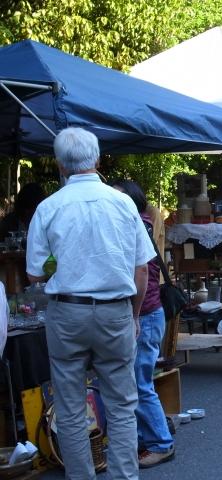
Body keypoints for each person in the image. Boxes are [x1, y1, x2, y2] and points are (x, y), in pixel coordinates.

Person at [26, 128, 156, 480]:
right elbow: (141, 268)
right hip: (115, 310)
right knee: (122, 406)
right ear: (97, 160)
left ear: (59, 165)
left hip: (67, 312)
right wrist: (132, 315)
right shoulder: (123, 203)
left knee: (69, 408)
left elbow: (35, 274)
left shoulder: (48, 207)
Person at [111, 180, 175, 468]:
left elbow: (142, 277)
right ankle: (143, 439)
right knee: (134, 382)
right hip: (146, 314)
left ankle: (162, 444)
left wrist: (134, 316)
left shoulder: (137, 227)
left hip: (146, 315)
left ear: (133, 202)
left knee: (140, 383)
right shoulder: (139, 224)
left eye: (120, 197)